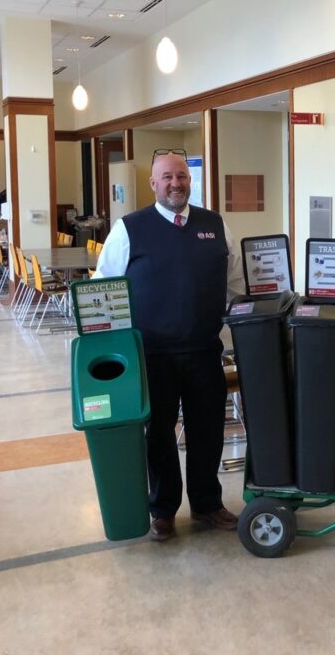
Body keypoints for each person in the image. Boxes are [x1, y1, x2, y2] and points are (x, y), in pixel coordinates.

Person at [93, 150, 244, 542]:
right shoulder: (129, 229)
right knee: (158, 435)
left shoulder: (216, 225)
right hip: (152, 355)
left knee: (208, 431)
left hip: (203, 351)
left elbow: (238, 285)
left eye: (181, 176)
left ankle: (208, 503)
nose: (176, 183)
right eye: (167, 177)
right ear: (153, 183)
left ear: (189, 180)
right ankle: (162, 510)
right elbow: (102, 288)